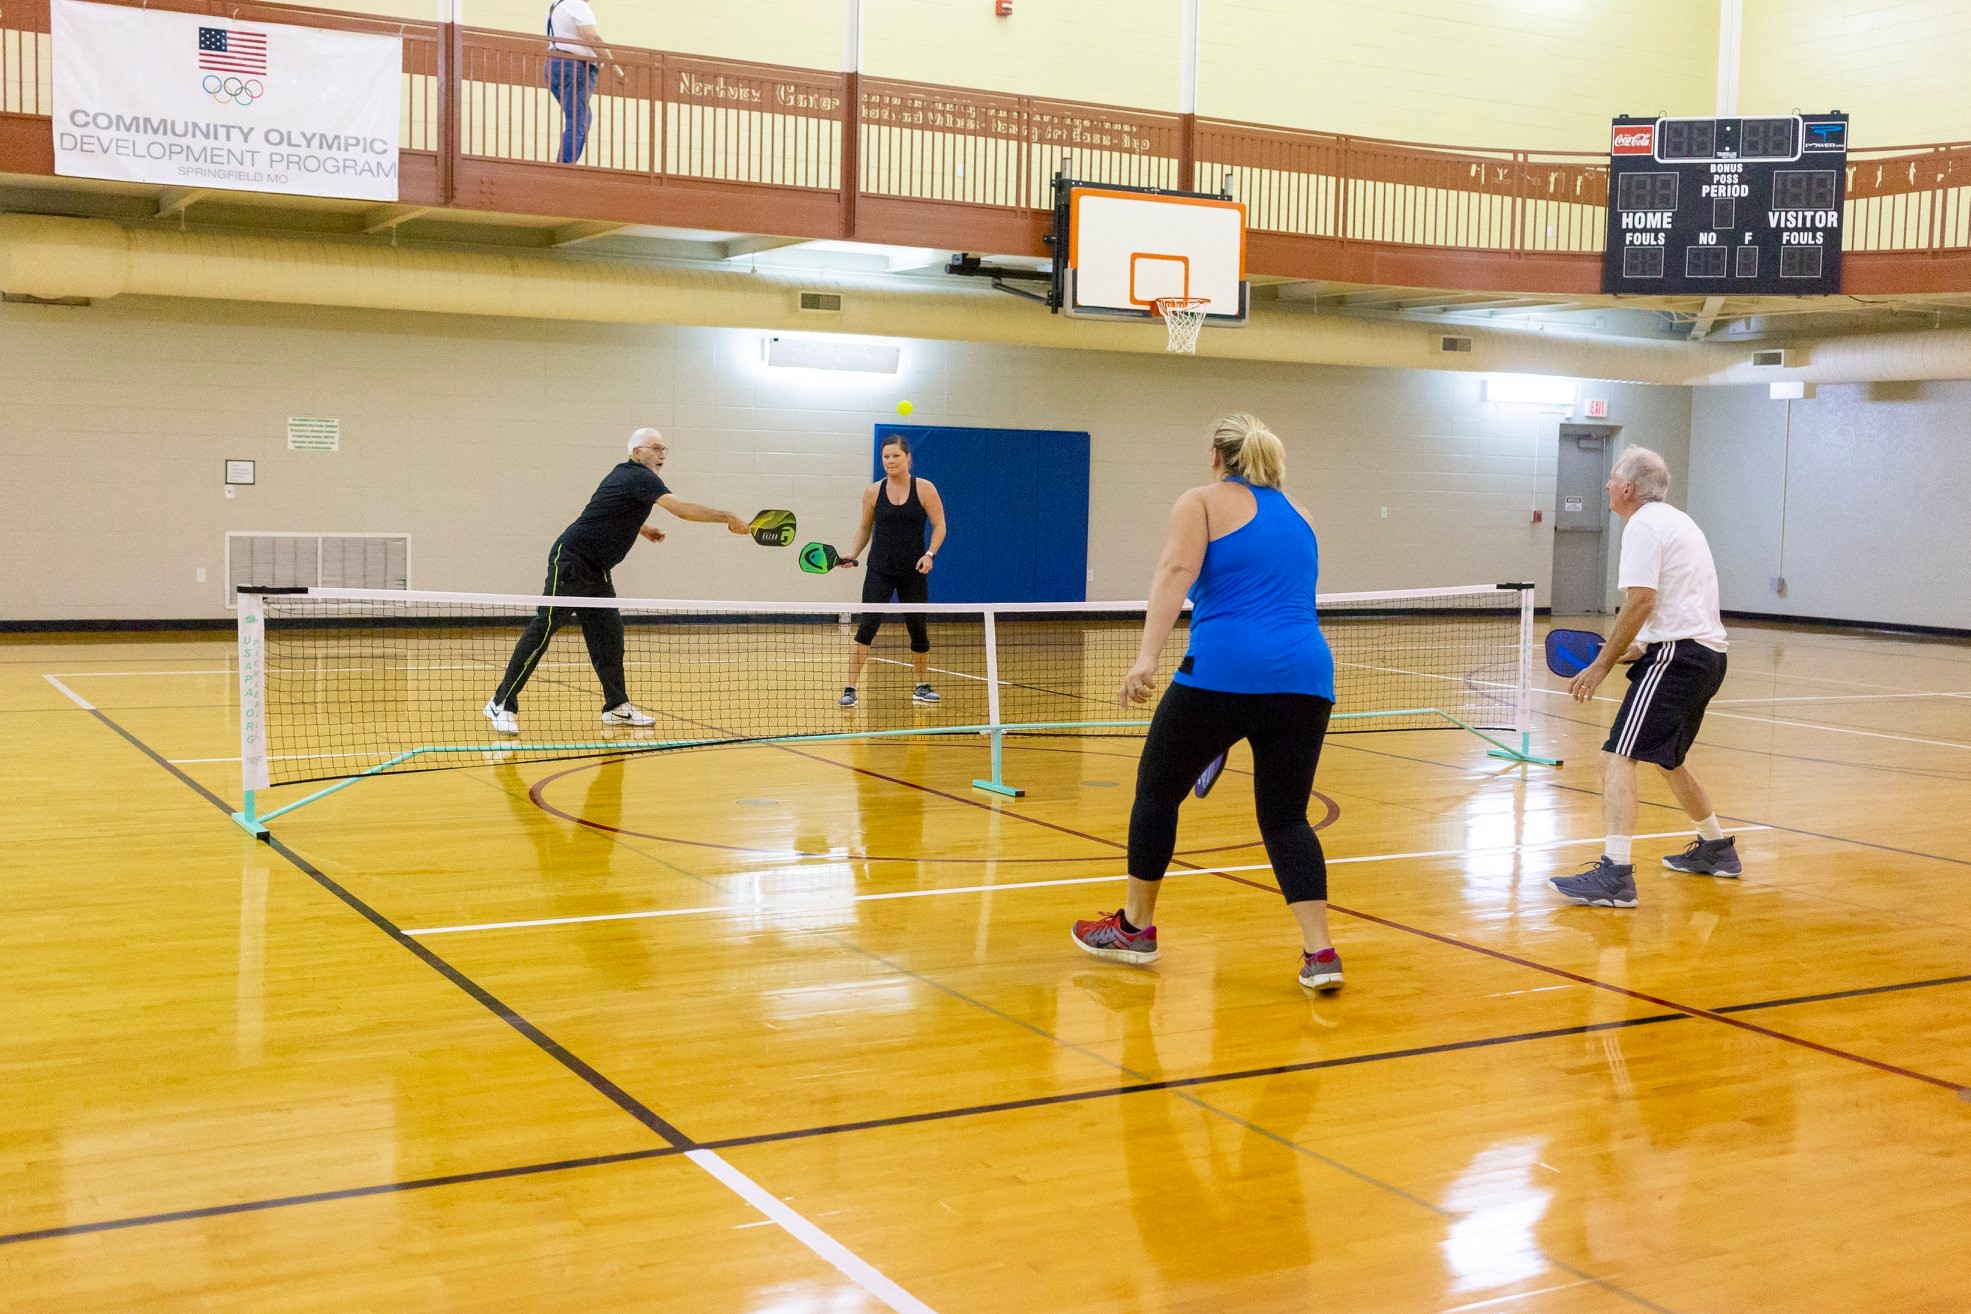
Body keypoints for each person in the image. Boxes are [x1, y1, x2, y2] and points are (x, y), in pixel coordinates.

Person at [1070, 413, 1344, 993]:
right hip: (1306, 678)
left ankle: (1135, 929)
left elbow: (1175, 572)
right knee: (1286, 817)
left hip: (1221, 673)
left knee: (1157, 791)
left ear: (1217, 457)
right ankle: (1321, 952)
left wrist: (1146, 657)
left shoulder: (1198, 501)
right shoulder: (1302, 515)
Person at [1551, 444, 1737, 909]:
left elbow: (1641, 602)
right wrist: (1637, 648)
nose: (1608, 485)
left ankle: (1614, 875)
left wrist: (1601, 665)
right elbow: (1675, 607)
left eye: (1612, 479)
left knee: (1616, 756)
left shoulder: (1642, 527)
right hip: (1707, 656)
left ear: (1629, 488)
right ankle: (1716, 848)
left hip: (1678, 658)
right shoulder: (1679, 521)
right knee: (1667, 758)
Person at [483, 428, 748, 735]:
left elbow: (608, 512)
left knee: (609, 635)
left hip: (597, 569)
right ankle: (500, 703)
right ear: (637, 452)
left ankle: (616, 706)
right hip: (571, 561)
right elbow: (682, 510)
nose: (663, 453)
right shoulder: (641, 477)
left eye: (665, 449)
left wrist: (641, 527)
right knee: (543, 631)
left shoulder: (628, 477)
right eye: (656, 448)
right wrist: (727, 516)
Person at [837, 434, 947, 708]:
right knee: (867, 627)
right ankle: (850, 688)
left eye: (896, 456)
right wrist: (853, 554)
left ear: (908, 457)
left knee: (918, 629)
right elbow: (865, 527)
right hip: (880, 570)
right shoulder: (873, 491)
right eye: (886, 457)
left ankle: (922, 685)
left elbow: (940, 525)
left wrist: (929, 554)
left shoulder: (924, 489)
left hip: (914, 571)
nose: (890, 461)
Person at [545, 0, 624, 165]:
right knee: (578, 119)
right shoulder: (576, 4)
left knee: (583, 117)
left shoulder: (557, 5)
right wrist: (617, 70)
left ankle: (565, 162)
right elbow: (593, 38)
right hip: (573, 66)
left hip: (555, 64)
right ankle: (564, 166)